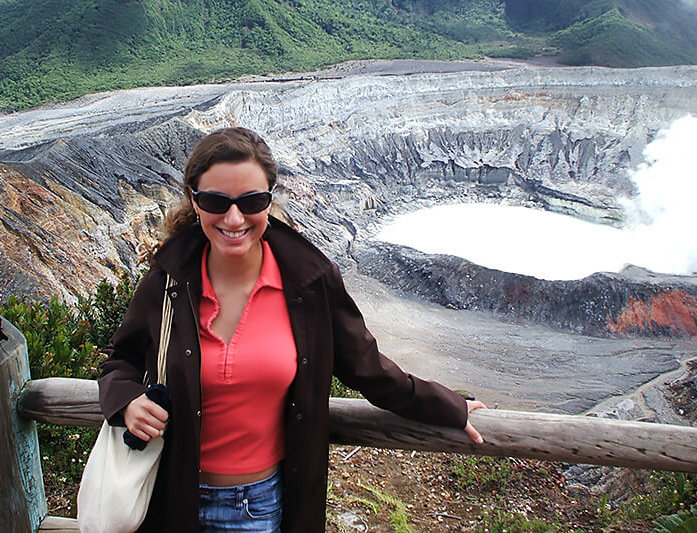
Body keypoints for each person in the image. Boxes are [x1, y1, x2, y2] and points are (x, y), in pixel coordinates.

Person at [98, 127, 486, 533]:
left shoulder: (307, 284)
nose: (234, 218)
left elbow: (366, 368)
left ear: (270, 198)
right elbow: (120, 361)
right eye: (216, 201)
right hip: (168, 500)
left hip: (259, 507)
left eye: (251, 201)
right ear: (195, 201)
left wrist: (448, 407)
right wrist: (127, 400)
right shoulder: (167, 282)